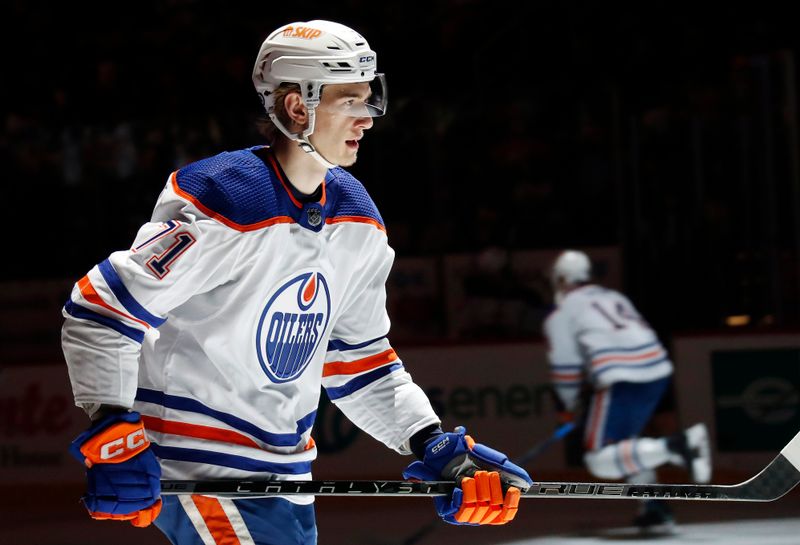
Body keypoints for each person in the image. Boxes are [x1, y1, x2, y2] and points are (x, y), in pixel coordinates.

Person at [61, 19, 532, 545]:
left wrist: (430, 441)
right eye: (349, 100)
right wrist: (114, 431)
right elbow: (100, 308)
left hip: (283, 478)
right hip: (200, 471)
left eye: (367, 98)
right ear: (296, 107)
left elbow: (358, 360)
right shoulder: (228, 200)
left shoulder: (357, 218)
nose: (367, 118)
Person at [542, 249, 711, 535]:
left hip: (620, 376)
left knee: (599, 458)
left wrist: (569, 407)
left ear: (561, 279)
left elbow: (565, 370)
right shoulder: (614, 297)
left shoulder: (562, 314)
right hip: (656, 369)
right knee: (626, 446)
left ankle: (677, 446)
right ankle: (654, 507)